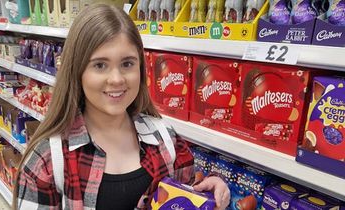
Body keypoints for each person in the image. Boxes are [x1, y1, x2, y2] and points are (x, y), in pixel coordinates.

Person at [12, 3, 230, 210]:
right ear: (77, 72)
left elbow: (186, 196)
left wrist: (211, 191)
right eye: (100, 65)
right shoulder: (47, 160)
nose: (116, 79)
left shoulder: (167, 140)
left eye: (127, 64)